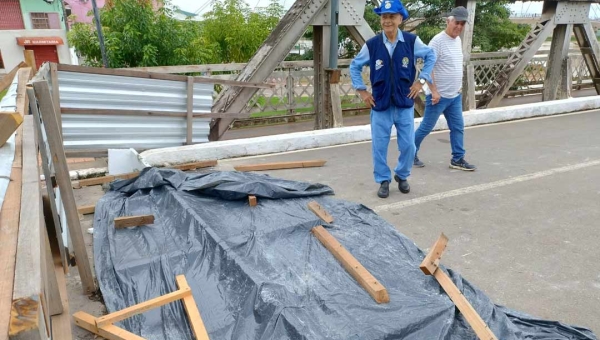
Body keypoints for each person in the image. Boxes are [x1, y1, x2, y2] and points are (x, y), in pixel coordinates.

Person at [349, 0, 436, 198]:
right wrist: (362, 91)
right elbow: (355, 66)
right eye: (384, 16)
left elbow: (431, 56)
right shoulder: (372, 44)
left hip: (404, 103)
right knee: (379, 146)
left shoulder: (412, 42)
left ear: (400, 19)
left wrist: (421, 80)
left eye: (392, 17)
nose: (387, 21)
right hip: (380, 104)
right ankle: (383, 180)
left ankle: (402, 175)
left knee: (408, 145)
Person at [413, 6, 476, 171]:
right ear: (449, 21)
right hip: (438, 96)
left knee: (458, 127)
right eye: (457, 22)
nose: (459, 27)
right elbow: (429, 68)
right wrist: (433, 91)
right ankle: (409, 152)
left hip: (454, 96)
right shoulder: (437, 41)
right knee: (426, 127)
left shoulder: (458, 40)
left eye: (462, 24)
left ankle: (458, 158)